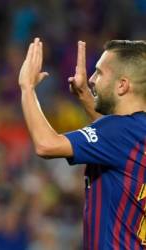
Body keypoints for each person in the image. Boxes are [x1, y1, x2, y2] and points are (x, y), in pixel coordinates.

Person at [18, 38, 146, 249]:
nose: (92, 79)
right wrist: (85, 95)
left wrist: (27, 88)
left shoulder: (119, 131)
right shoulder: (135, 131)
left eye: (100, 73)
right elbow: (114, 142)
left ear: (122, 85)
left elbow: (46, 145)